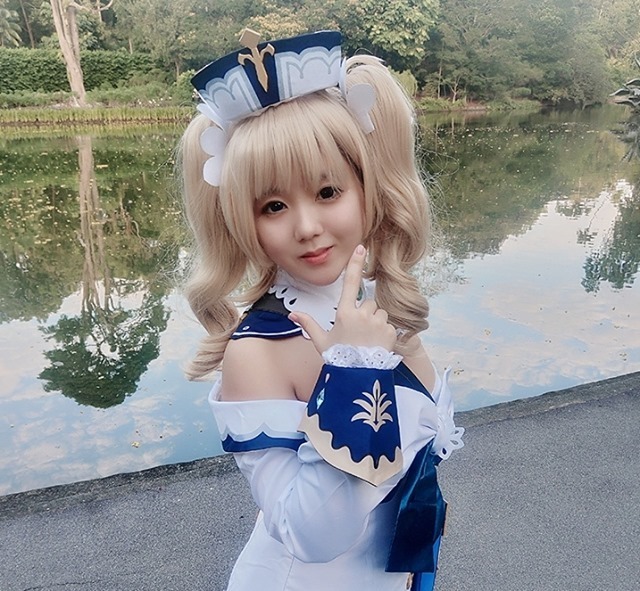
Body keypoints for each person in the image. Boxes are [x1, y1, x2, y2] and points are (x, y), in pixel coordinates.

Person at [178, 28, 464, 591]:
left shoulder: (371, 312)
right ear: (242, 218)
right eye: (274, 205)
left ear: (366, 188)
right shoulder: (256, 352)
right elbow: (312, 535)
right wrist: (353, 374)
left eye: (328, 192)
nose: (307, 227)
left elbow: (419, 453)